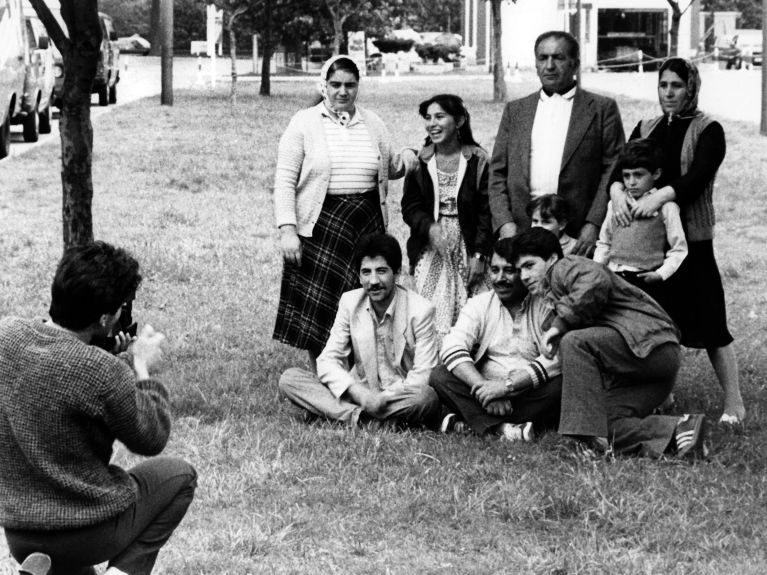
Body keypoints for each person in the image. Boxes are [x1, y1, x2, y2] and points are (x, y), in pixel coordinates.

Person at [0, 242, 196, 575]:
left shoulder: (7, 336)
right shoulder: (103, 372)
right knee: (179, 475)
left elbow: (57, 363)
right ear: (105, 317)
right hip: (87, 532)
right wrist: (142, 368)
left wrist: (98, 348)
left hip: (20, 533)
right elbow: (152, 436)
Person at [608, 57, 744, 425]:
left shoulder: (708, 129)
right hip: (647, 245)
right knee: (654, 321)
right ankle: (660, 393)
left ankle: (734, 403)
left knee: (711, 320)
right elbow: (622, 168)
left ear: (691, 88)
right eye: (663, 85)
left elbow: (697, 178)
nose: (669, 92)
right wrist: (619, 192)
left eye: (677, 86)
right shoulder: (646, 125)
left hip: (692, 240)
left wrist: (660, 196)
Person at [510, 228, 708, 459]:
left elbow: (595, 281)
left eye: (529, 265)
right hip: (644, 368)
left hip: (649, 346)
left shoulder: (565, 268)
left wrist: (560, 325)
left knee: (575, 342)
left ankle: (580, 441)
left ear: (552, 258)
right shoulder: (557, 296)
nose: (523, 276)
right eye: (519, 270)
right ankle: (680, 430)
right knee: (604, 424)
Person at [273, 55, 416, 371]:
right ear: (323, 85)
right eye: (335, 84)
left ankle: (363, 370)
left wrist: (411, 156)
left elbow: (388, 166)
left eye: (350, 85)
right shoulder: (304, 122)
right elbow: (284, 179)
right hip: (322, 225)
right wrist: (287, 230)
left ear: (358, 87)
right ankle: (324, 372)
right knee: (322, 305)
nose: (342, 92)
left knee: (366, 298)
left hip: (366, 221)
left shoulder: (372, 122)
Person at [279, 234, 441, 429]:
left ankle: (345, 415)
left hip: (400, 397)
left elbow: (423, 375)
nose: (373, 281)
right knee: (290, 379)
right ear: (358, 275)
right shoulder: (350, 302)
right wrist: (361, 395)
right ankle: (367, 419)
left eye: (381, 271)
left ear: (397, 273)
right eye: (366, 272)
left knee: (427, 397)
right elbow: (327, 361)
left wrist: (381, 399)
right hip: (359, 395)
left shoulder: (421, 310)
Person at [488, 30, 625, 256]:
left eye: (558, 58)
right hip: (522, 231)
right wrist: (505, 224)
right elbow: (498, 173)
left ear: (575, 64)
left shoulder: (602, 109)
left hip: (577, 235)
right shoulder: (516, 111)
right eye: (543, 58)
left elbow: (613, 168)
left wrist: (593, 225)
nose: (549, 66)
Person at [428, 238, 562, 442]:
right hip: (484, 395)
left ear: (523, 273)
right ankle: (505, 429)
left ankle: (474, 423)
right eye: (494, 270)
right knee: (440, 376)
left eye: (509, 270)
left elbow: (556, 358)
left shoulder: (544, 304)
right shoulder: (480, 304)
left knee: (561, 383)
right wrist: (485, 388)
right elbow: (451, 346)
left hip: (528, 392)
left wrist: (507, 387)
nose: (500, 278)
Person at [401, 94, 492, 337]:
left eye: (440, 116)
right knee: (432, 313)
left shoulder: (478, 160)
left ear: (460, 121)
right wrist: (429, 228)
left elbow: (486, 210)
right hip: (433, 246)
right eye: (428, 118)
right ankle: (434, 369)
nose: (432, 123)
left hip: (469, 244)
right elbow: (410, 206)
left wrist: (480, 255)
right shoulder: (422, 160)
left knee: (474, 311)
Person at [594, 138, 687, 309]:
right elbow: (604, 242)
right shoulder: (615, 205)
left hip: (645, 282)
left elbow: (679, 248)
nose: (631, 182)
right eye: (626, 176)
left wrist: (660, 274)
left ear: (656, 174)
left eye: (638, 175)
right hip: (612, 278)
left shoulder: (667, 208)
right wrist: (598, 268)